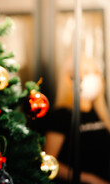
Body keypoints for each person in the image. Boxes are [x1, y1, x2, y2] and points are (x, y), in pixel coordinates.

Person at [44, 54, 110, 184]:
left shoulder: (101, 114)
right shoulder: (61, 116)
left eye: (95, 72)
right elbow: (49, 161)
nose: (93, 77)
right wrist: (89, 179)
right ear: (69, 79)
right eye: (85, 72)